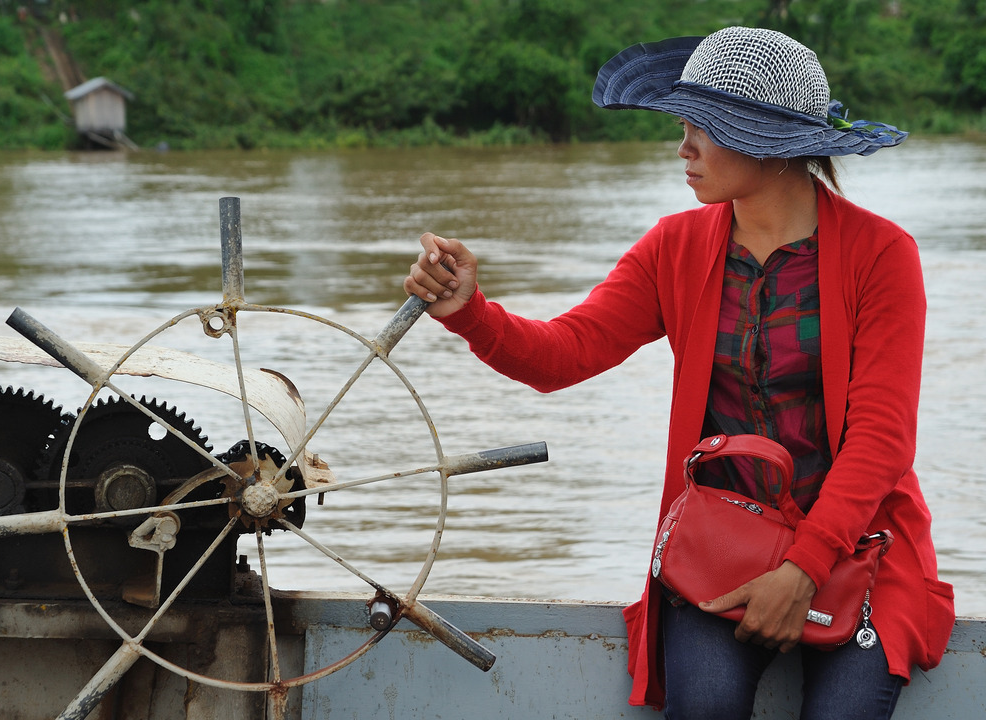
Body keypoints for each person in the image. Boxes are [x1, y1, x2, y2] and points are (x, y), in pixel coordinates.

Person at [403, 26, 955, 719]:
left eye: (706, 127)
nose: (683, 146)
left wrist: (803, 568)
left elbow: (881, 438)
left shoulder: (882, 254)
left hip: (860, 550)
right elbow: (563, 353)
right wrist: (469, 310)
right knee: (704, 706)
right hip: (718, 551)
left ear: (773, 143)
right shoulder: (675, 246)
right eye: (684, 123)